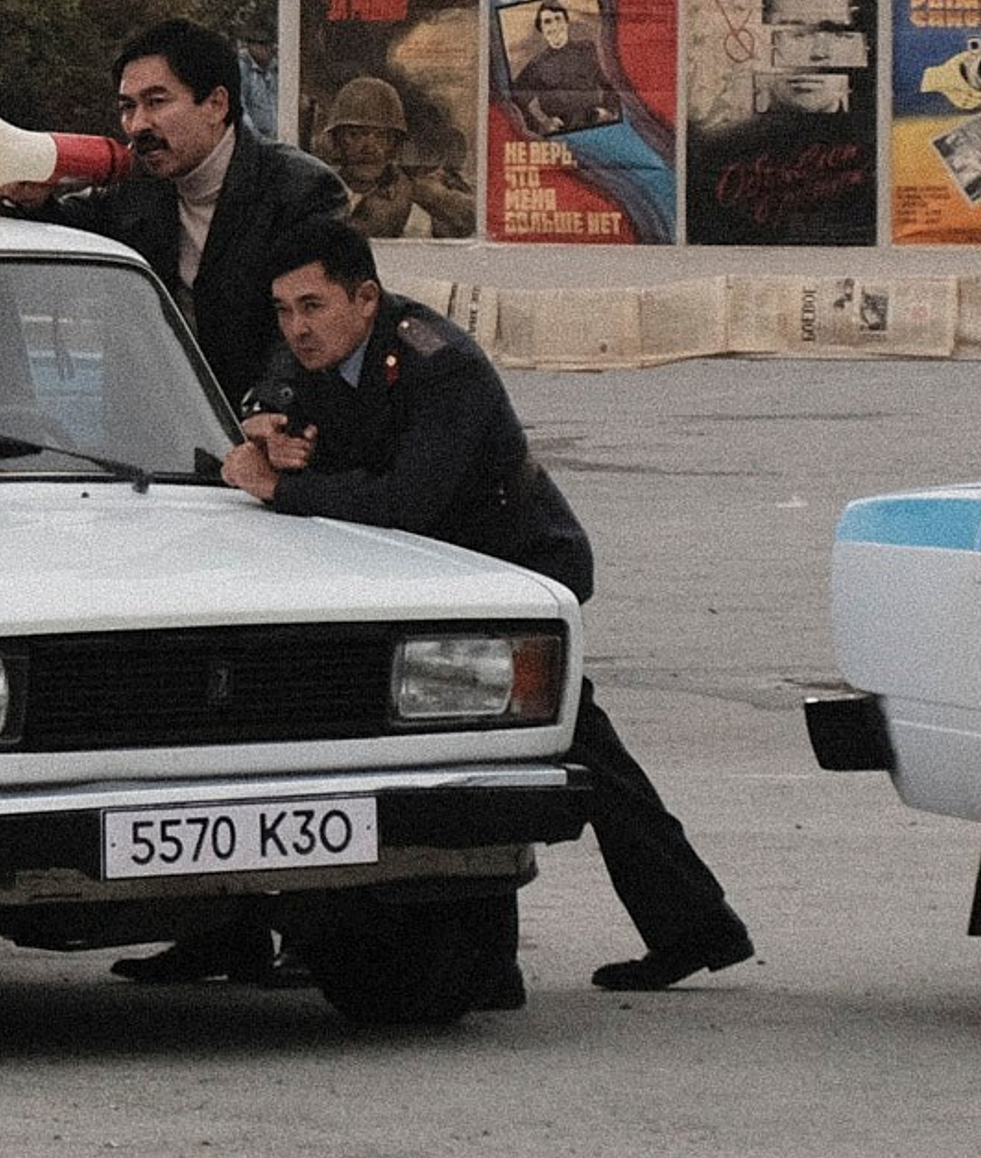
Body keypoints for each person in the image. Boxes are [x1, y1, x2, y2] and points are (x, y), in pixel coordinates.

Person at [228, 221, 754, 998]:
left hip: (513, 567)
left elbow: (409, 502)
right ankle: (687, 928)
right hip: (432, 580)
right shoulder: (314, 349)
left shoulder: (444, 368)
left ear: (366, 299)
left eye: (313, 306)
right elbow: (274, 384)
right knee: (542, 750)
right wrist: (264, 425)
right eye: (283, 310)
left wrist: (282, 485)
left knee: (510, 749)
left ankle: (513, 959)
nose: (297, 328)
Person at [49, 18, 345, 410]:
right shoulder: (135, 185)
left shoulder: (300, 190)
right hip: (155, 435)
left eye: (156, 102)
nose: (138, 126)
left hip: (271, 434)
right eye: (127, 107)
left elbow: (316, 322)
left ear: (216, 104)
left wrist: (269, 408)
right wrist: (30, 195)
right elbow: (63, 230)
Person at [315, 75, 475, 240]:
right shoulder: (316, 197)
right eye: (355, 135)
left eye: (381, 136)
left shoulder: (416, 209)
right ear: (336, 140)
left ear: (394, 144)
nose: (369, 148)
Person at [512, 0, 617, 136]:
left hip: (598, 125)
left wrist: (609, 110)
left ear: (566, 23)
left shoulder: (587, 49)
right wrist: (541, 125)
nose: (554, 25)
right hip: (564, 134)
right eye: (547, 21)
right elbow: (514, 99)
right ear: (542, 29)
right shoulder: (536, 64)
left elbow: (613, 81)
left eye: (558, 19)